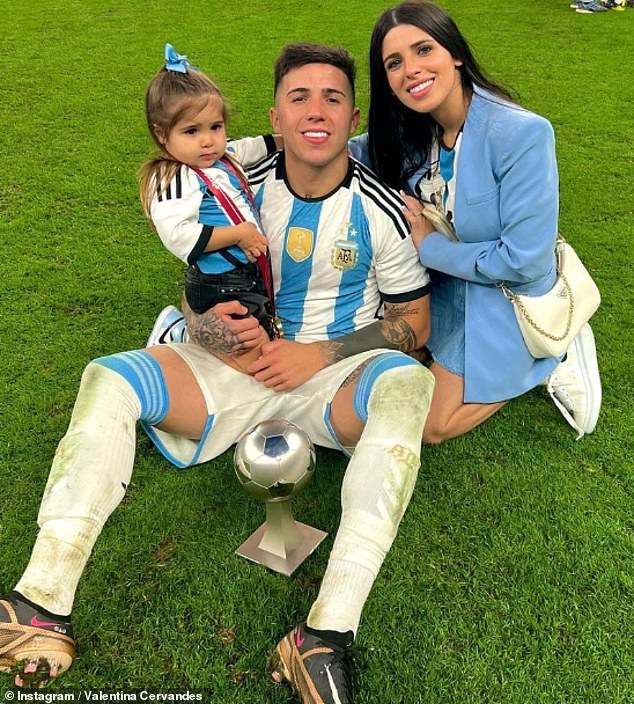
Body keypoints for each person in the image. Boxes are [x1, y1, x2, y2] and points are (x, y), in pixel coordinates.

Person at [0, 43, 434, 703]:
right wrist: (207, 330)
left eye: (333, 98)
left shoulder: (379, 209)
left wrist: (317, 355)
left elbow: (414, 323)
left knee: (410, 383)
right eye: (299, 97)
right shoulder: (225, 178)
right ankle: (41, 601)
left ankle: (324, 634)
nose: (316, 111)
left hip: (331, 377)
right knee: (109, 377)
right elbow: (192, 293)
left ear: (353, 119)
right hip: (231, 367)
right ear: (275, 118)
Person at [349, 0, 602, 443]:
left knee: (433, 425)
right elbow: (343, 148)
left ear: (456, 54)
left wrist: (428, 247)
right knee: (402, 354)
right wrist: (253, 148)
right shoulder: (414, 128)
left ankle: (554, 352)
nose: (410, 69)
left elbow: (523, 260)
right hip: (452, 283)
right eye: (394, 63)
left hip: (509, 293)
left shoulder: (522, 134)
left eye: (423, 50)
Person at [139, 44, 280, 372]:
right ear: (162, 135)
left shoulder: (222, 156)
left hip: (244, 274)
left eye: (215, 127)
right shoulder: (174, 176)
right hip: (219, 281)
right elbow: (178, 235)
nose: (207, 140)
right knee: (252, 354)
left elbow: (252, 147)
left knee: (261, 338)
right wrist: (240, 234)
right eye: (191, 131)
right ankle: (174, 339)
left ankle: (194, 343)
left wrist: (289, 139)